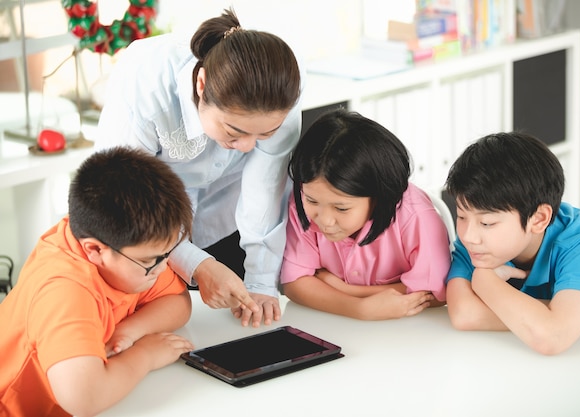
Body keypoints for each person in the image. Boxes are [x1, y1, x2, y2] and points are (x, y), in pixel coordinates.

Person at [95, 8, 303, 327]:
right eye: (235, 131)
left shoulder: (279, 94)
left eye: (264, 134)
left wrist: (261, 281)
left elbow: (266, 189)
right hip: (145, 224)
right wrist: (196, 265)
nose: (249, 146)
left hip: (229, 213)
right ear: (202, 84)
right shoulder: (146, 82)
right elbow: (125, 197)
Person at [0, 147, 195, 417]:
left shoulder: (123, 251)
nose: (163, 268)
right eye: (152, 260)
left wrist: (129, 331)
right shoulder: (63, 289)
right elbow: (84, 398)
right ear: (95, 250)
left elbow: (178, 302)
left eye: (167, 255)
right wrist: (146, 355)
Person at [444, 131, 580, 355]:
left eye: (487, 223)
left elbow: (551, 338)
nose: (467, 235)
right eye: (461, 216)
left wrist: (483, 280)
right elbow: (464, 315)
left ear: (538, 219)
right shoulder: (478, 244)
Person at [280, 108, 451, 320]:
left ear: (378, 195)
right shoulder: (301, 202)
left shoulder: (416, 216)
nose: (324, 220)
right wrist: (359, 309)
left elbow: (434, 294)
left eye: (341, 208)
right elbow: (294, 284)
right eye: (312, 201)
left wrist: (343, 289)